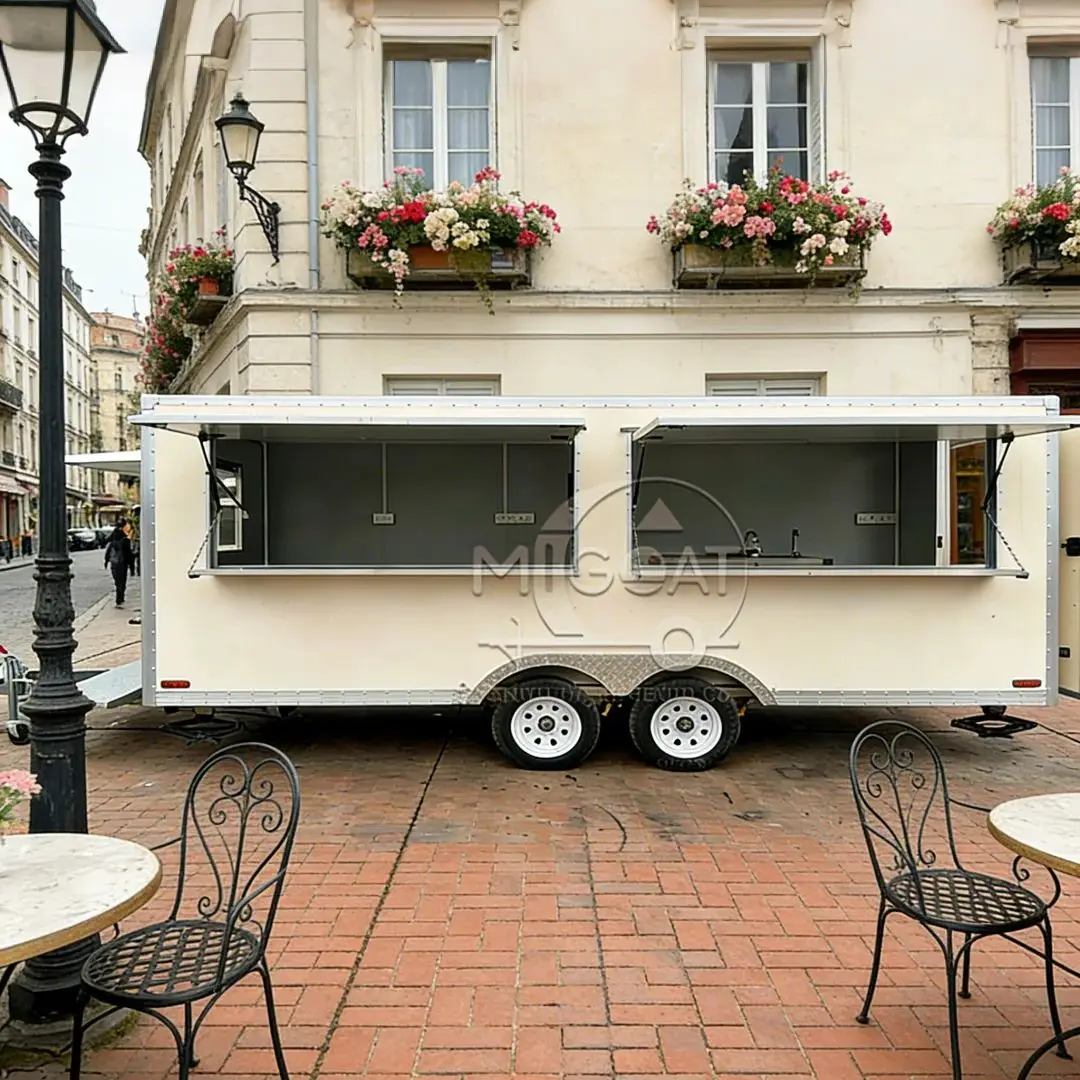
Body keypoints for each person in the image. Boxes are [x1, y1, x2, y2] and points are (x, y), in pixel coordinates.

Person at [104, 518, 135, 607]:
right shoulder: (125, 539)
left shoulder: (113, 537)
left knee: (117, 582)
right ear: (124, 526)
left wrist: (106, 562)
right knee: (122, 582)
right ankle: (120, 598)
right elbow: (129, 555)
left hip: (114, 563)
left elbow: (108, 549)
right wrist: (132, 568)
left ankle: (119, 598)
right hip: (122, 563)